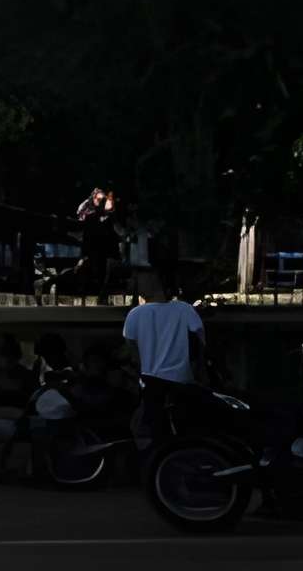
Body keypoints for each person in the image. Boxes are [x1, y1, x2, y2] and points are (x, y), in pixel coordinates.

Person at [123, 273, 205, 447]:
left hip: (151, 380)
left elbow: (132, 350)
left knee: (154, 430)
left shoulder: (134, 315)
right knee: (187, 430)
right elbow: (198, 342)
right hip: (183, 379)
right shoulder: (184, 309)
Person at [71, 187, 122, 300]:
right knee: (94, 270)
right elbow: (86, 232)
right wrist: (84, 253)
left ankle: (99, 293)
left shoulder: (108, 216)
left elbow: (113, 231)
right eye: (98, 199)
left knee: (102, 272)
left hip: (104, 249)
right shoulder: (89, 214)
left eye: (102, 200)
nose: (100, 202)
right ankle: (91, 292)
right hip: (94, 249)